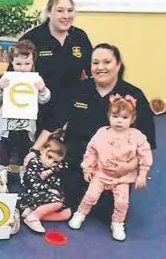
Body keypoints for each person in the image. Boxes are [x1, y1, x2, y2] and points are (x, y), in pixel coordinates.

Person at [25, 43, 156, 221]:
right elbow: (54, 123)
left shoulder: (133, 96)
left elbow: (146, 143)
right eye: (95, 63)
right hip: (77, 160)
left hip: (114, 167)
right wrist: (33, 151)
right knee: (63, 201)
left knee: (109, 211)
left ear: (118, 65)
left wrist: (129, 166)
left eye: (107, 62)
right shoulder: (78, 90)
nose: (100, 68)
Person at [68, 94, 153, 241]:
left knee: (121, 202)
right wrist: (87, 168)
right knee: (91, 195)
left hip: (122, 178)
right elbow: (91, 151)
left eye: (124, 118)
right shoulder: (102, 133)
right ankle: (80, 213)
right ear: (109, 116)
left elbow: (145, 153)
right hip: (100, 173)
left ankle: (117, 222)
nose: (119, 121)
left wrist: (142, 173)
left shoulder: (136, 136)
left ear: (132, 119)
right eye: (115, 116)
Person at [20, 0, 93, 135]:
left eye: (70, 10)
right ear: (49, 13)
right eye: (60, 10)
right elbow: (15, 73)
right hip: (39, 108)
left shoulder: (80, 37)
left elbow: (92, 71)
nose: (66, 16)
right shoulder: (32, 39)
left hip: (71, 108)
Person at [0, 40, 51, 184]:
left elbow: (45, 99)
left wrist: (43, 89)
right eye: (18, 64)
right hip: (8, 124)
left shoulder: (36, 79)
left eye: (27, 64)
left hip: (27, 124)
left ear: (33, 62)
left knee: (24, 148)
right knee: (6, 147)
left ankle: (24, 170)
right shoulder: (7, 78)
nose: (22, 68)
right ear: (12, 62)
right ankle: (3, 170)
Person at [19, 129, 70, 233]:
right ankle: (33, 217)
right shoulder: (33, 164)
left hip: (48, 196)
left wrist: (51, 170)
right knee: (58, 203)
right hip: (32, 196)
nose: (51, 162)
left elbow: (64, 165)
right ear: (42, 150)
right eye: (49, 157)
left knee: (67, 213)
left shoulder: (55, 166)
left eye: (55, 161)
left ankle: (32, 214)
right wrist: (50, 189)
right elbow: (34, 185)